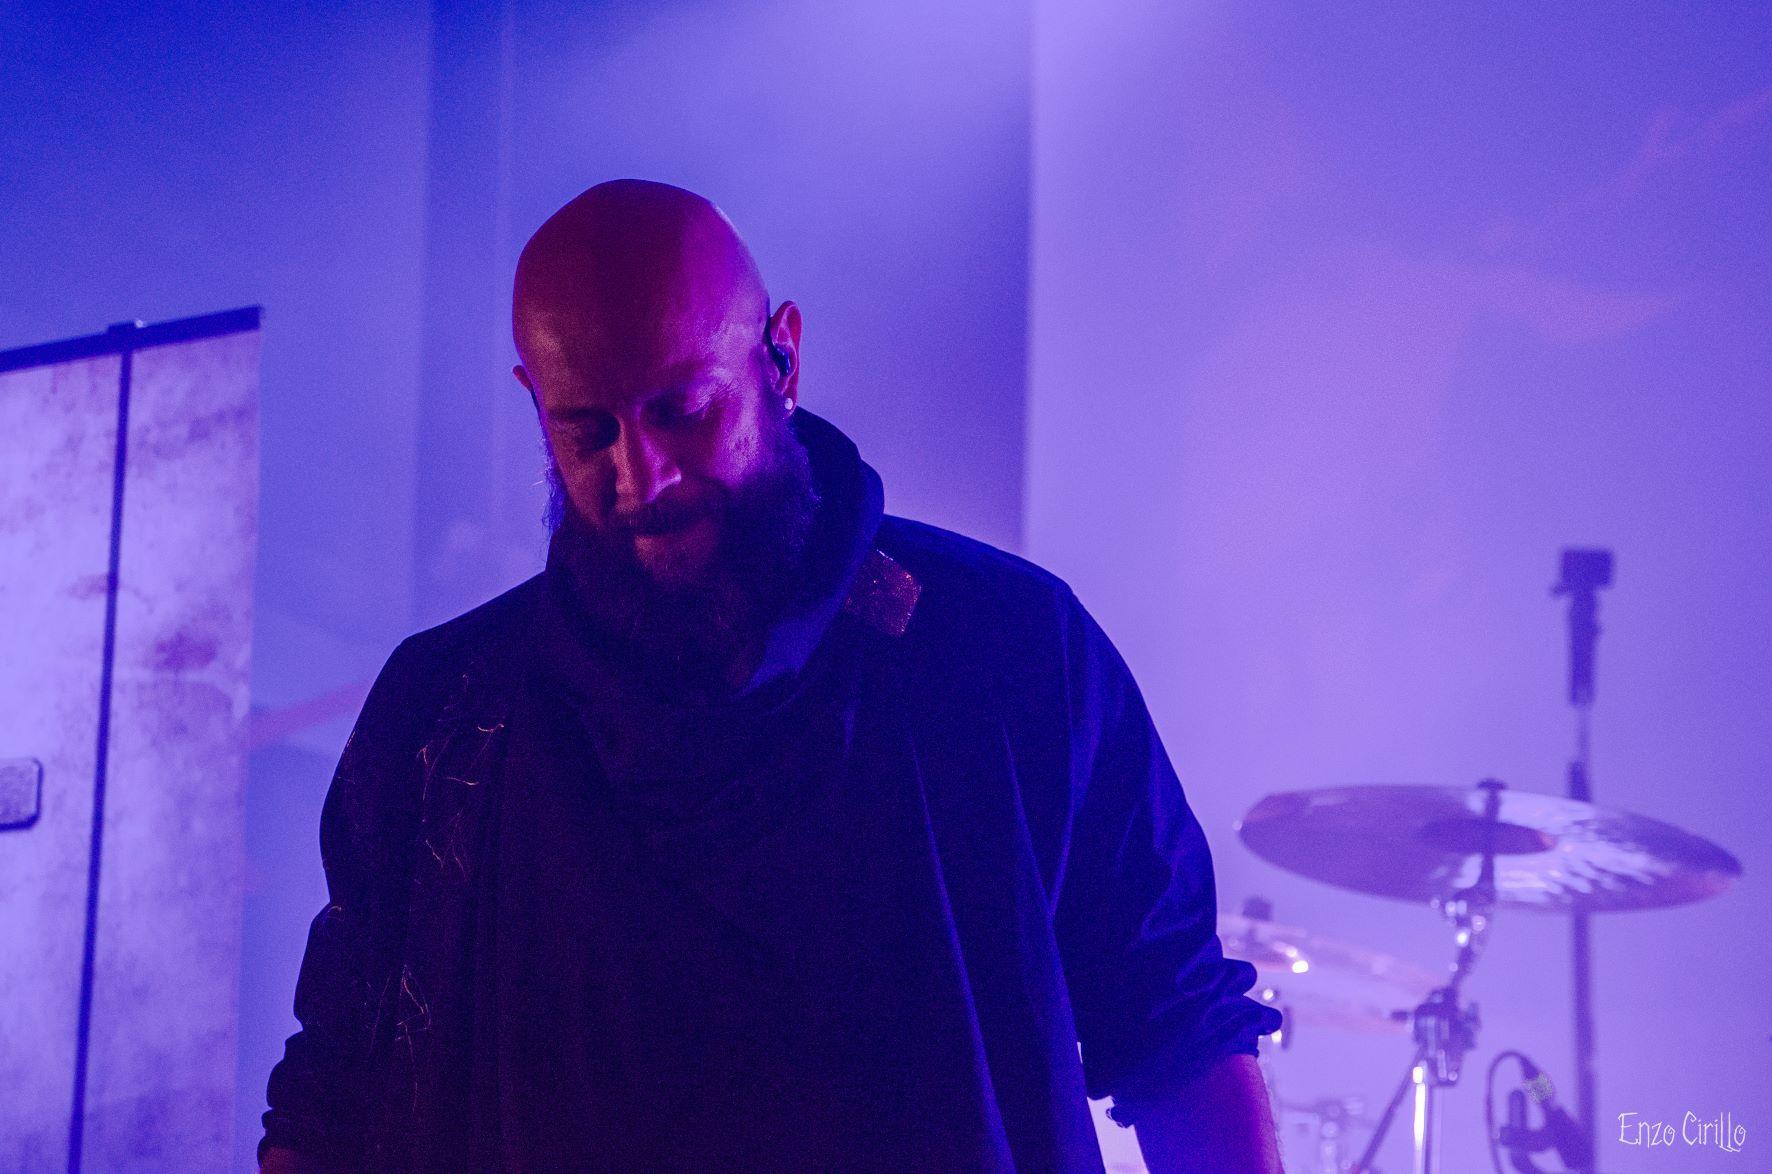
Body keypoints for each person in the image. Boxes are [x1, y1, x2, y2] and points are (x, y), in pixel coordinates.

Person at [259, 179, 1283, 1172]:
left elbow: (1177, 1034)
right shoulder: (443, 713)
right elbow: (330, 1102)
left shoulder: (1011, 651)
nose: (642, 478)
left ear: (780, 358)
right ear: (534, 403)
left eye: (682, 409)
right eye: (588, 431)